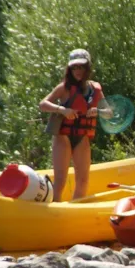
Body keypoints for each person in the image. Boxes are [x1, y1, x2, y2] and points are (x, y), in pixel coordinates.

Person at [39, 49, 104, 201]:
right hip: (63, 137)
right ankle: (54, 210)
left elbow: (109, 112)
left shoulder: (94, 89)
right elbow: (43, 104)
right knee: (60, 181)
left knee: (83, 181)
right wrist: (62, 109)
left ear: (87, 68)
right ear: (70, 69)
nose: (78, 71)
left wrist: (98, 111)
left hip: (82, 138)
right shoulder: (63, 88)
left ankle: (75, 209)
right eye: (74, 67)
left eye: (81, 67)